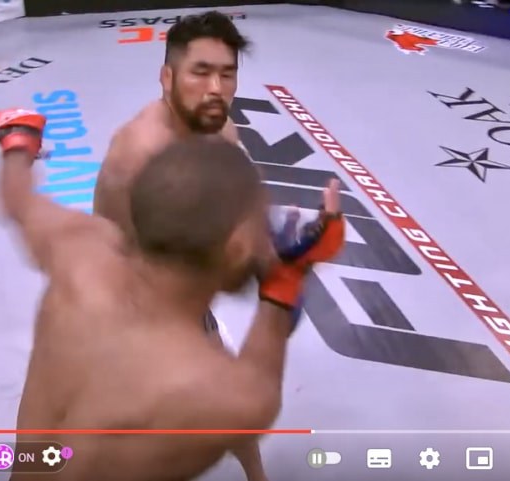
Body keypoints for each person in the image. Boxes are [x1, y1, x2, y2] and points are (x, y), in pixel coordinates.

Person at [0, 108, 344, 481]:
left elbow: (18, 199)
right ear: (237, 246)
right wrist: (289, 275)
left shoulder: (80, 253)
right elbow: (261, 372)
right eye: (261, 226)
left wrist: (19, 141)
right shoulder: (225, 393)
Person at [91, 11, 344, 480]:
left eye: (227, 74)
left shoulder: (219, 128)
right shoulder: (138, 155)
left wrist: (297, 242)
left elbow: (240, 200)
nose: (216, 88)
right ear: (167, 78)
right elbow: (165, 261)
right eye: (201, 72)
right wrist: (271, 270)